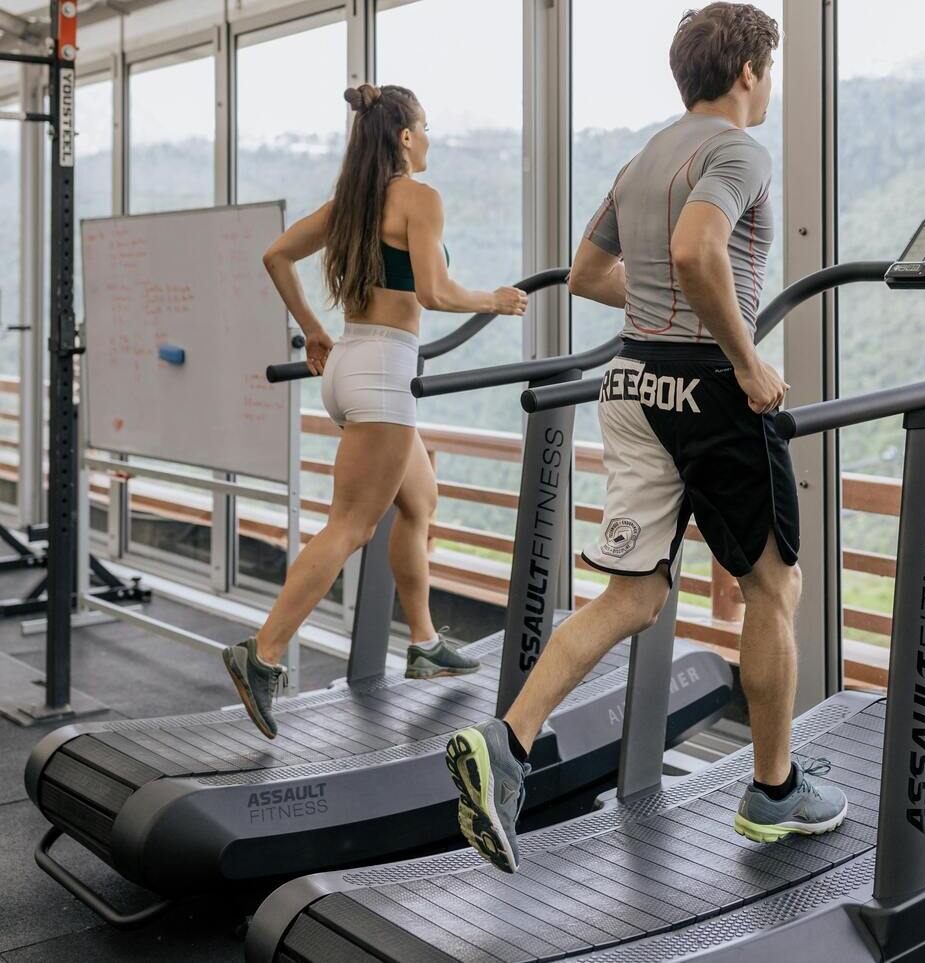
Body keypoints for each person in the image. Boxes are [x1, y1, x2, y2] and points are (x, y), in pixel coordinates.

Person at [445, 2, 847, 873]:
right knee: (776, 584)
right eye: (768, 71)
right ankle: (775, 792)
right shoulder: (738, 148)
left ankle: (506, 745)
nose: (769, 86)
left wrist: (661, 317)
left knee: (634, 595)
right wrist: (744, 359)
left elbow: (589, 273)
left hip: (631, 382)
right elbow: (701, 251)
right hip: (706, 384)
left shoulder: (642, 157)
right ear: (748, 72)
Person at [222, 83, 528, 739]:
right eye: (427, 127)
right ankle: (263, 652)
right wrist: (493, 301)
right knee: (351, 525)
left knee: (419, 498)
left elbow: (274, 254)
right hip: (386, 372)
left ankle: (421, 641)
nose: (432, 139)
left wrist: (311, 330)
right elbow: (433, 290)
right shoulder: (419, 198)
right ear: (407, 136)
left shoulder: (350, 204)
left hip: (348, 364)